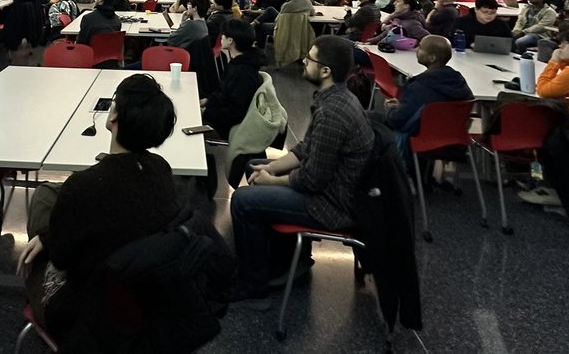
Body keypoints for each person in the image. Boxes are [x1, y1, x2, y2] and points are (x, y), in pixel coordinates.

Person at [15, 74, 229, 340]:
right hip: (146, 301)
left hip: (87, 312)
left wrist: (47, 239)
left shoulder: (82, 187)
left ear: (113, 117)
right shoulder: (161, 170)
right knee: (50, 196)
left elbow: (62, 258)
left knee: (38, 231)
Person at [227, 35, 375, 305]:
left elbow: (311, 180)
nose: (304, 62)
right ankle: (283, 258)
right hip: (330, 188)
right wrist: (271, 167)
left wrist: (271, 181)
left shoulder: (333, 112)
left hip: (332, 205)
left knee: (241, 201)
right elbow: (306, 148)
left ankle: (253, 285)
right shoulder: (333, 97)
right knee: (254, 164)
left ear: (325, 70)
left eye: (310, 59)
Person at [379, 35, 473, 168]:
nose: (417, 49)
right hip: (453, 138)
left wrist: (391, 109)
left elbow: (398, 121)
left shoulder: (421, 86)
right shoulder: (459, 82)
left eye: (421, 48)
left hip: (421, 138)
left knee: (374, 121)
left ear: (432, 58)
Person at [200, 19, 265, 139]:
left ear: (230, 41)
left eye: (223, 36)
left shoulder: (243, 73)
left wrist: (206, 113)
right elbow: (224, 94)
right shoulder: (240, 63)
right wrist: (208, 100)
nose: (221, 38)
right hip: (221, 115)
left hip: (228, 127)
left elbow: (235, 112)